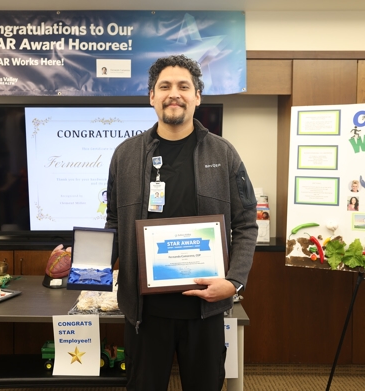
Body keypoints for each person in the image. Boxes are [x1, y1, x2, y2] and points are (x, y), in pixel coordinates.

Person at [105, 54, 258, 391]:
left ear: (197, 96)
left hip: (205, 310)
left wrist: (235, 282)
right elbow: (114, 220)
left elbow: (247, 223)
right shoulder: (125, 155)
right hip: (144, 314)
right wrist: (90, 261)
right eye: (165, 86)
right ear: (152, 96)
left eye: (183, 86)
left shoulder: (223, 154)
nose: (174, 93)